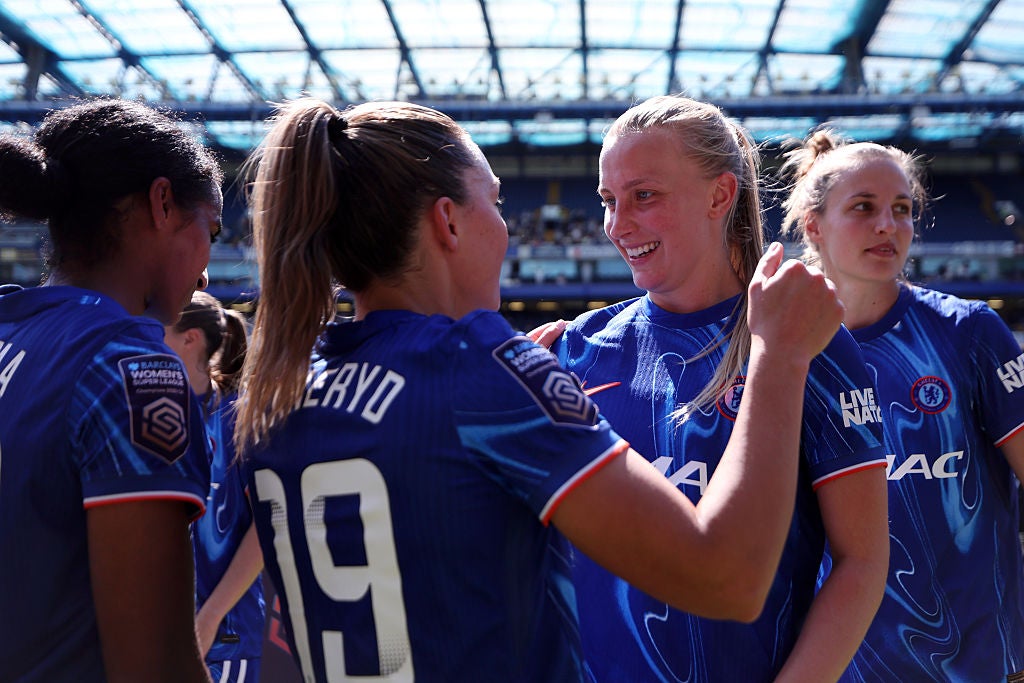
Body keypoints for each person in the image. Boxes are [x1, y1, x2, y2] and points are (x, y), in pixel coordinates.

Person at [230, 96, 844, 683]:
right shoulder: (485, 376)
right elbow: (728, 580)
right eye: (494, 203)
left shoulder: (283, 392)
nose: (504, 228)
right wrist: (778, 355)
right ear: (448, 221)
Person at [549, 95, 890, 683]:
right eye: (609, 200)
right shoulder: (577, 348)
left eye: (644, 195)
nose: (617, 223)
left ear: (719, 195)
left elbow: (861, 562)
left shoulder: (801, 337)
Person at [779, 128, 1024, 682]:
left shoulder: (968, 333)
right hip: (842, 669)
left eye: (902, 209)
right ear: (813, 226)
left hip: (977, 667)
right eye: (863, 208)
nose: (888, 225)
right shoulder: (784, 353)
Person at [0, 98, 223, 682]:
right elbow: (155, 668)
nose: (206, 274)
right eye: (212, 232)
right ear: (162, 203)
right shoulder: (126, 367)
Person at [164, 291, 265, 682]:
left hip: (226, 642)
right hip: (156, 638)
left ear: (190, 339)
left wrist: (209, 619)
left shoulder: (241, 418)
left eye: (158, 329)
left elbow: (266, 527)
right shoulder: (139, 411)